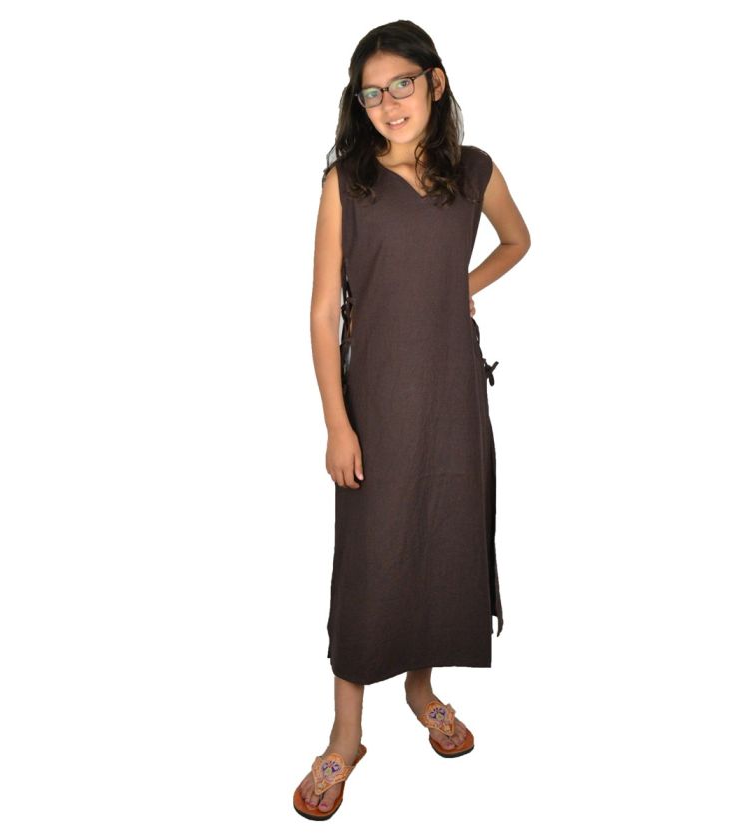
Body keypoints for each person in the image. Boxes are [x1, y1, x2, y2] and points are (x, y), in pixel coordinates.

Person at [295, 20, 531, 819]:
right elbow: (322, 310)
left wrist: (461, 285)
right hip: (376, 396)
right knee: (370, 553)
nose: (388, 103)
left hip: (453, 389)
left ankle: (421, 691)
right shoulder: (347, 182)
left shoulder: (474, 171)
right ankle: (345, 734)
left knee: (439, 534)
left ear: (435, 81)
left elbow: (518, 240)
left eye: (402, 83)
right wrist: (337, 423)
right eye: (371, 92)